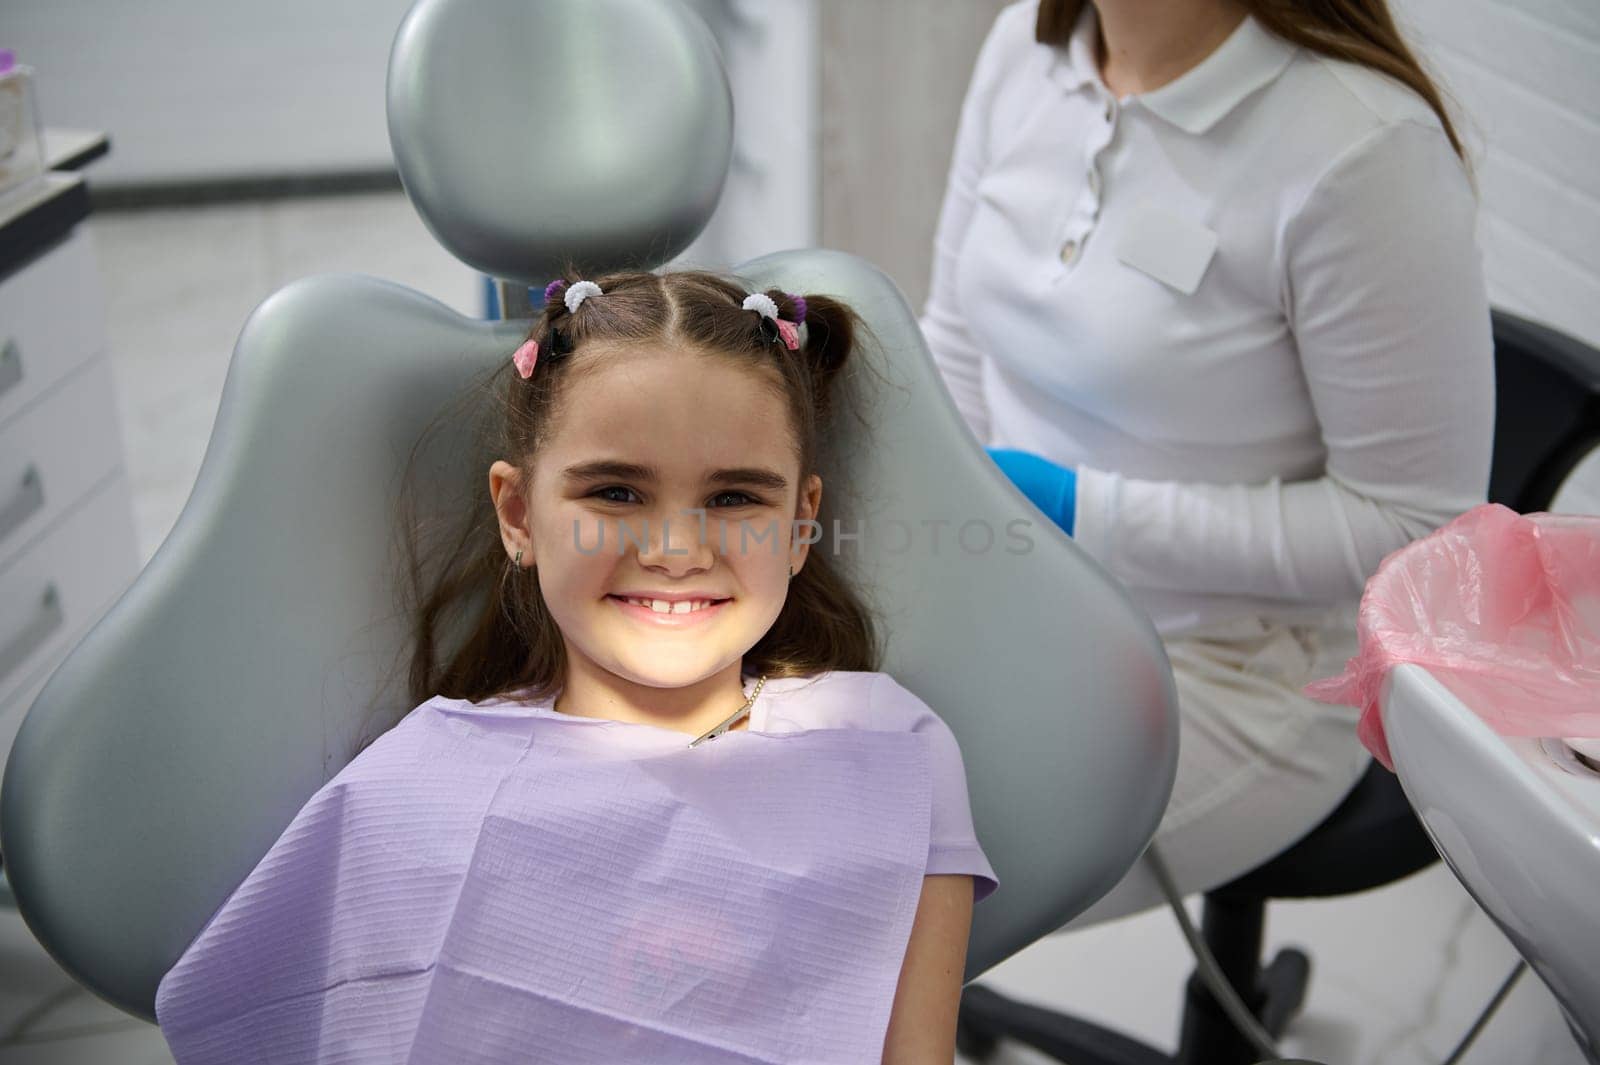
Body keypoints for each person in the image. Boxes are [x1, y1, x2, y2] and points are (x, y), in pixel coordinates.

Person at [153, 270, 998, 1063]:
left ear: (802, 522)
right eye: (616, 493)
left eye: (735, 497)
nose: (675, 550)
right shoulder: (414, 792)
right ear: (519, 514)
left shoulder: (888, 755)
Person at [921, 0, 1494, 928]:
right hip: (1013, 590)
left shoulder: (1364, 148)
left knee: (881, 892)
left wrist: (1080, 512)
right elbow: (952, 336)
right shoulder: (1028, 46)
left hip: (1244, 667)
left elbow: (1415, 531)